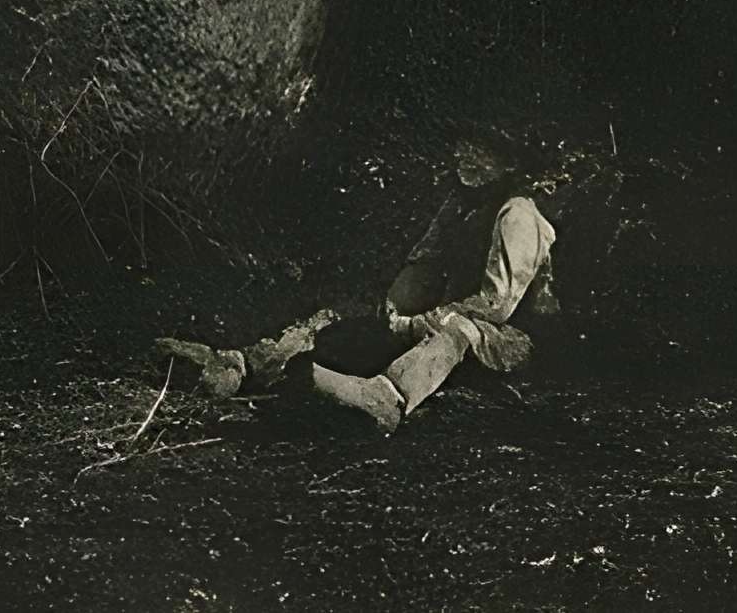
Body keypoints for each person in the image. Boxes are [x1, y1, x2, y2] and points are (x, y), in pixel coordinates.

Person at [157, 128, 560, 435]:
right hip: (441, 317)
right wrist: (396, 309)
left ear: (509, 164)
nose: (467, 157)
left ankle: (386, 399)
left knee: (455, 330)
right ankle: (246, 364)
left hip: (503, 340)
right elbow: (424, 261)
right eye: (465, 145)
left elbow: (497, 304)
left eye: (483, 151)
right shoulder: (460, 205)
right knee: (343, 318)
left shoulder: (518, 215)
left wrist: (419, 321)